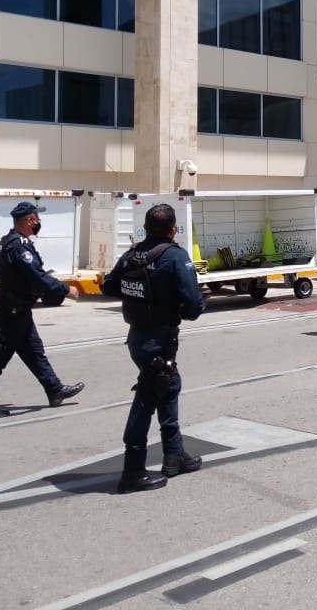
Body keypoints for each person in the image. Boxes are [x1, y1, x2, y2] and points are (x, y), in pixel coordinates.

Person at [101, 203, 206, 494]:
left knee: (168, 387)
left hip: (137, 337)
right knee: (149, 397)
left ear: (146, 228)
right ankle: (132, 470)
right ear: (173, 229)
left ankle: (175, 454)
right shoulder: (174, 256)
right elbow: (194, 307)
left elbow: (108, 287)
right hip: (158, 340)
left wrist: (142, 292)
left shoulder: (133, 254)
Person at [0, 202, 83, 419]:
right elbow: (36, 276)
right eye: (37, 218)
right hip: (12, 311)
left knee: (34, 352)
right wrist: (65, 289)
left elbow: (2, 271)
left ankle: (54, 390)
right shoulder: (18, 246)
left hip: (19, 309)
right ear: (29, 220)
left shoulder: (6, 242)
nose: (39, 222)